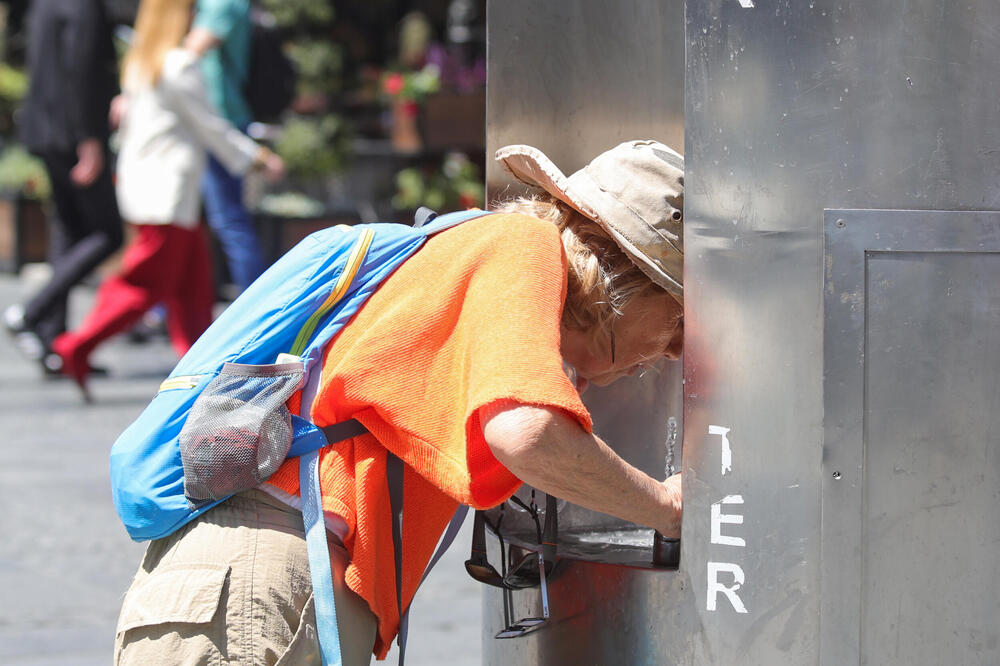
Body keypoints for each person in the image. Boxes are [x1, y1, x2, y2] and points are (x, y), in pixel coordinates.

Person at [113, 140, 685, 665]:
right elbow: (526, 434)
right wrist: (667, 506)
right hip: (259, 585)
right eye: (679, 313)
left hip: (254, 588)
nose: (681, 345)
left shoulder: (468, 262)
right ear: (625, 276)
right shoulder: (523, 244)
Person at [49, 0, 284, 398]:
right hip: (168, 196)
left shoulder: (142, 64)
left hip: (155, 192)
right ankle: (75, 346)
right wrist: (257, 157)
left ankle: (201, 373)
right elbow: (210, 126)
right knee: (141, 287)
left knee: (194, 293)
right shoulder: (177, 65)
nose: (195, 16)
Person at [3, 0, 123, 373]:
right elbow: (80, 67)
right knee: (108, 233)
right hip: (73, 134)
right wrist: (88, 138)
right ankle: (31, 312)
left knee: (69, 230)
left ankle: (53, 343)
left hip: (45, 130)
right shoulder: (81, 5)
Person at [182, 0, 267, 292]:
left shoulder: (223, 3)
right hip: (206, 121)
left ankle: (257, 303)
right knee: (189, 220)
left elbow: (189, 53)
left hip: (220, 123)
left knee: (228, 221)